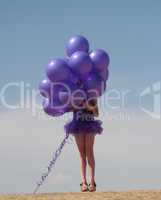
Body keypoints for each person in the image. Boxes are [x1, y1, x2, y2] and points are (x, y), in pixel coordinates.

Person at [64, 98, 103, 192]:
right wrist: (77, 104)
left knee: (89, 152)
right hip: (77, 125)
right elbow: (67, 108)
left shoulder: (92, 97)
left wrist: (90, 107)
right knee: (82, 154)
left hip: (90, 124)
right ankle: (83, 182)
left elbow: (96, 114)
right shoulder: (74, 95)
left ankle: (92, 181)